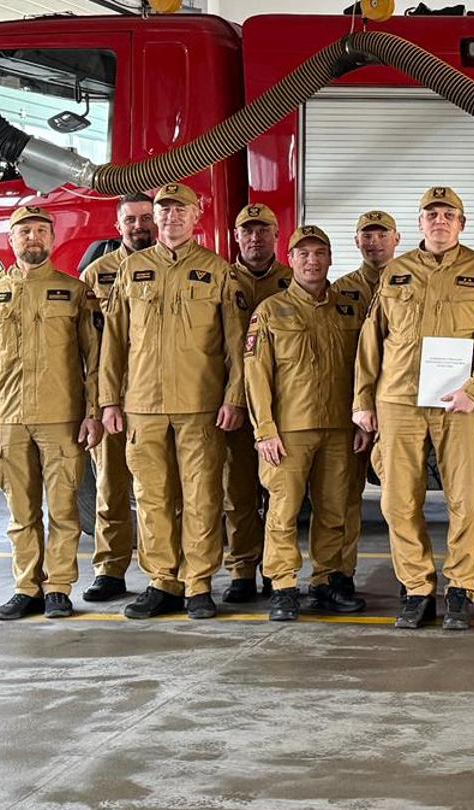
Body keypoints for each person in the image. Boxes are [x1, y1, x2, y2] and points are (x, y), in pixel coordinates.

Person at [353, 185, 474, 630]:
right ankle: (417, 589)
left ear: (462, 223)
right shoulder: (396, 272)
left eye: (448, 215)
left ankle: (460, 589)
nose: (439, 221)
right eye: (431, 214)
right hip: (399, 400)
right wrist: (363, 400)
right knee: (398, 500)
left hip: (458, 403)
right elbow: (372, 339)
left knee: (465, 499)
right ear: (418, 224)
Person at [99, 182, 249, 620]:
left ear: (197, 216)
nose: (171, 217)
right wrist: (110, 401)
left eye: (180, 210)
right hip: (143, 405)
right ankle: (162, 581)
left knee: (202, 496)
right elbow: (114, 343)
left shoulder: (218, 271)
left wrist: (235, 397)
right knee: (151, 496)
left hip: (200, 405)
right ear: (155, 217)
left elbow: (236, 346)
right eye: (164, 211)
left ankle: (198, 584)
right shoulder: (132, 270)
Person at [0, 206, 104, 620]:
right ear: (10, 241)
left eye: (41, 231)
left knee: (63, 509)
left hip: (61, 417)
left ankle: (58, 588)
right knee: (20, 512)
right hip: (9, 420)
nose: (33, 237)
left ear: (52, 239)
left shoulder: (75, 292)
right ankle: (27, 587)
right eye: (24, 231)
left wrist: (93, 411)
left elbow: (94, 358)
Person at [244, 225, 371, 620]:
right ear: (291, 260)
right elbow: (256, 376)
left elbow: (366, 367)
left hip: (339, 428)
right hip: (289, 431)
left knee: (335, 511)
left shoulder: (349, 309)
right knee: (282, 512)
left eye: (319, 253)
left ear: (331, 259)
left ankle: (326, 581)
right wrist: (264, 430)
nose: (312, 261)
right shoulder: (271, 311)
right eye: (303, 254)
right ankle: (283, 585)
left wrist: (363, 423)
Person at [319, 209, 404, 605]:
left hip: (403, 407)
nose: (374, 242)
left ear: (397, 238)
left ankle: (411, 574)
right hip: (353, 412)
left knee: (406, 496)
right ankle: (338, 575)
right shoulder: (339, 292)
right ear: (356, 243)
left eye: (381, 234)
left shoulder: (413, 282)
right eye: (366, 236)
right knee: (344, 497)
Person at [77, 192, 153, 602]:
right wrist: (94, 404)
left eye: (146, 218)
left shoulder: (170, 270)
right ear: (118, 227)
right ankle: (109, 570)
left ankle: (165, 571)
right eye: (131, 220)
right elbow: (87, 346)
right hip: (111, 399)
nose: (140, 226)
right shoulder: (96, 275)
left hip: (159, 399)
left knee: (162, 492)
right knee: (109, 487)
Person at [221, 203, 295, 603]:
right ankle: (242, 569)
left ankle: (275, 569)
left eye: (263, 230)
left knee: (281, 494)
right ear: (236, 237)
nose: (255, 238)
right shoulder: (220, 280)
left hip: (284, 407)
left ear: (276, 236)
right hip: (233, 406)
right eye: (247, 231)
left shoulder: (295, 279)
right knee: (239, 492)